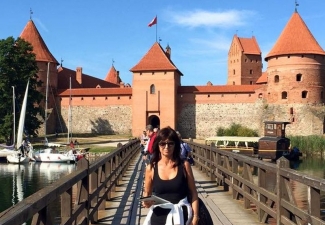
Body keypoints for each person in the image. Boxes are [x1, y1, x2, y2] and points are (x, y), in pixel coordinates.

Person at [142, 126, 199, 225]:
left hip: (182, 216)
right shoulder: (151, 168)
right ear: (158, 145)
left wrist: (195, 217)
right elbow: (147, 194)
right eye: (163, 143)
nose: (167, 147)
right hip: (159, 217)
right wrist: (146, 202)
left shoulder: (184, 165)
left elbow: (194, 193)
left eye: (170, 143)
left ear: (175, 145)